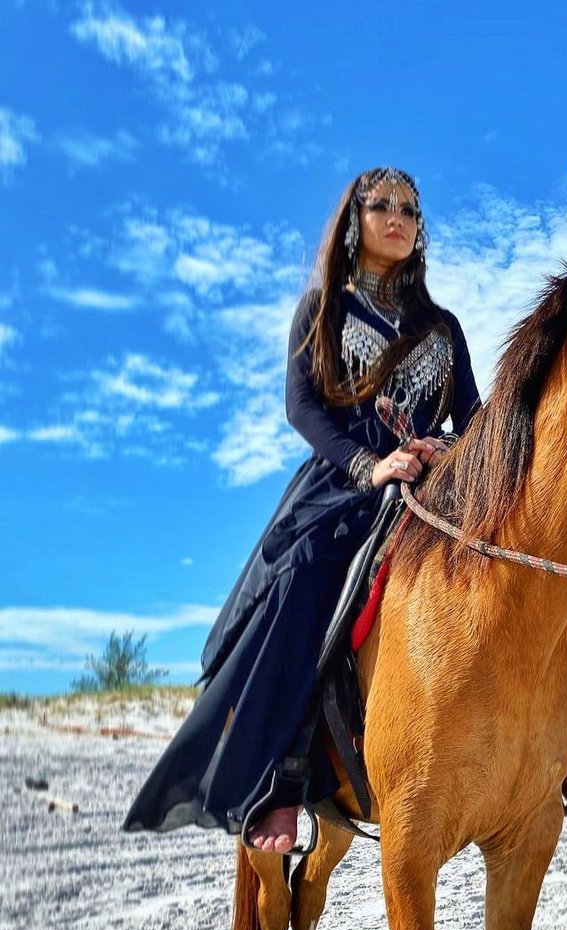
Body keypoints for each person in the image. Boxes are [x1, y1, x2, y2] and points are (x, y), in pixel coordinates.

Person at [124, 167, 482, 853]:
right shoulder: (326, 308)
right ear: (356, 219)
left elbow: (471, 417)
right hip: (343, 488)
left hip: (433, 489)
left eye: (410, 208)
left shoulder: (444, 328)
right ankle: (283, 782)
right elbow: (302, 407)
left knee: (516, 555)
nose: (399, 217)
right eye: (383, 206)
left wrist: (445, 448)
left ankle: (550, 752)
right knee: (307, 575)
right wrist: (368, 465)